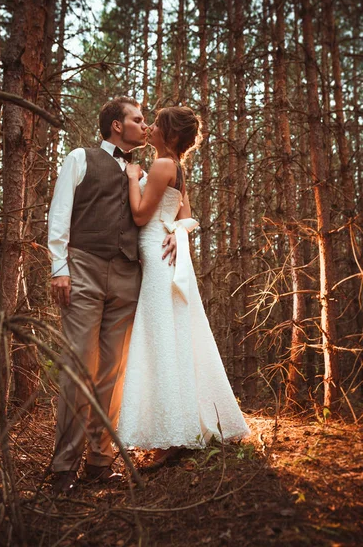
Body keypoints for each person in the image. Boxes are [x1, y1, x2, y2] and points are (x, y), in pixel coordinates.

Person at [48, 96, 176, 494]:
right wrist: (59, 268)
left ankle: (99, 463)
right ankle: (63, 467)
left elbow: (166, 213)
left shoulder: (147, 171)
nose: (145, 125)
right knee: (79, 367)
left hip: (127, 276)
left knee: (113, 373)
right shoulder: (80, 158)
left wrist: (177, 232)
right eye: (138, 120)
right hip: (83, 269)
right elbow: (59, 212)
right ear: (117, 126)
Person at [118, 106, 250, 468]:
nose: (152, 128)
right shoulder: (175, 166)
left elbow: (141, 215)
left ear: (171, 135)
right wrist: (178, 232)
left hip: (157, 256)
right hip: (163, 254)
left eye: (157, 124)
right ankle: (179, 425)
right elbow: (187, 216)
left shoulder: (161, 165)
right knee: (171, 335)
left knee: (162, 338)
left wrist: (132, 177)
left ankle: (173, 436)